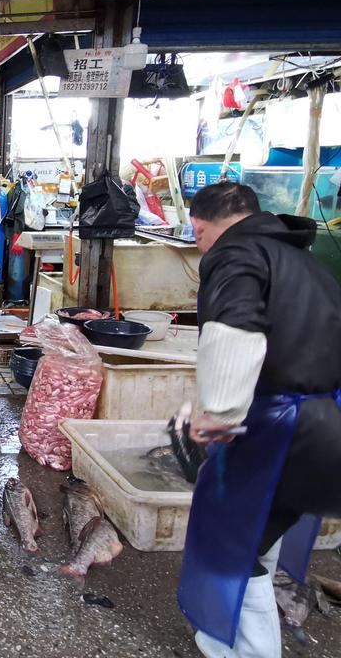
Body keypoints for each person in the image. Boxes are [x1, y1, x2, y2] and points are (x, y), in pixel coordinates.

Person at [176, 182, 341, 658]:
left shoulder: (236, 255)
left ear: (199, 227)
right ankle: (217, 634)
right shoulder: (308, 263)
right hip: (326, 424)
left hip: (281, 430)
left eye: (197, 236)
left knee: (230, 548)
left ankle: (246, 650)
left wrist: (217, 415)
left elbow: (234, 332)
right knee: (258, 535)